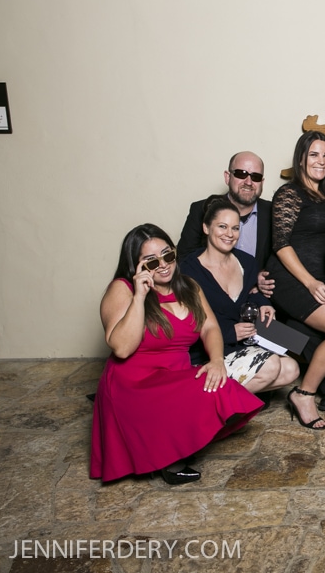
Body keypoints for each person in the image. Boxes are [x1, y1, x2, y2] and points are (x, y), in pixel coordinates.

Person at [90, 224, 263, 484]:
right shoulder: (122, 289)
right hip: (134, 384)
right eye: (150, 261)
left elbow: (210, 328)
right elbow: (122, 348)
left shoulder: (188, 286)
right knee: (213, 394)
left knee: (220, 385)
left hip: (176, 375)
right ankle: (167, 458)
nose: (163, 265)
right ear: (135, 265)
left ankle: (169, 445)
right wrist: (139, 296)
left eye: (168, 255)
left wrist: (217, 361)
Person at [267, 131, 325, 430]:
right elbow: (281, 244)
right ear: (301, 159)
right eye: (313, 155)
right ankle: (303, 393)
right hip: (292, 280)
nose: (320, 161)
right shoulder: (290, 193)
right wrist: (310, 283)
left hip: (321, 281)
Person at [181, 197, 299, 396]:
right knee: (270, 366)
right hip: (208, 351)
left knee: (291, 369)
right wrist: (229, 333)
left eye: (235, 228)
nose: (229, 234)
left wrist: (263, 303)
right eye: (222, 226)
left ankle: (222, 401)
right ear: (206, 228)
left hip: (243, 343)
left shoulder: (247, 262)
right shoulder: (188, 270)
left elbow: (250, 294)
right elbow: (186, 322)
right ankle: (204, 403)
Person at [177, 151, 273, 279]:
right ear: (228, 177)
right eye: (241, 174)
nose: (248, 182)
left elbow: (282, 256)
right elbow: (185, 258)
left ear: (262, 182)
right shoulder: (200, 209)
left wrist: (260, 278)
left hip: (256, 293)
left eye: (255, 177)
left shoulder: (273, 212)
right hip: (209, 291)